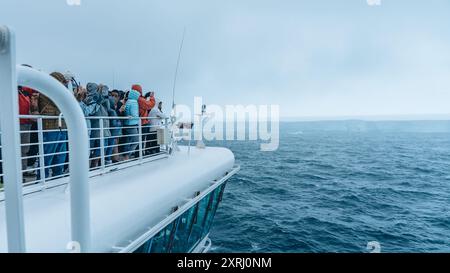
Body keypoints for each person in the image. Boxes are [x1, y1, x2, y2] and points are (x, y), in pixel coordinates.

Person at [39, 72, 69, 179]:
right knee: (47, 156)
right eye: (61, 82)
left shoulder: (59, 92)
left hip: (61, 127)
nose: (63, 85)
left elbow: (68, 104)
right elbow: (59, 102)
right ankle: (42, 180)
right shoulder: (45, 92)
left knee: (61, 156)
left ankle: (58, 179)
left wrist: (78, 97)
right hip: (50, 127)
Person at [131, 85, 155, 155]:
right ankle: (139, 154)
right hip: (142, 122)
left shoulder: (133, 98)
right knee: (141, 139)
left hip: (136, 122)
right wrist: (152, 97)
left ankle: (137, 153)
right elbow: (150, 105)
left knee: (137, 140)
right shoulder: (139, 99)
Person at [120, 89, 140, 161]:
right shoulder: (134, 102)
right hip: (132, 124)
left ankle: (125, 155)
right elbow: (134, 114)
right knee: (136, 141)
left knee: (128, 140)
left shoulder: (128, 101)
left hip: (127, 123)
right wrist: (138, 118)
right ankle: (127, 155)